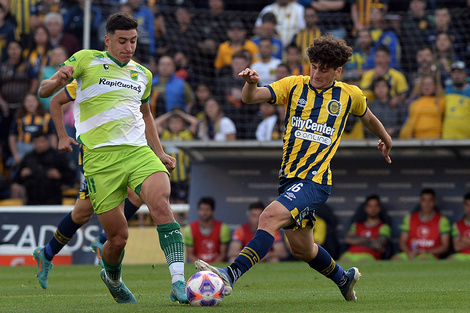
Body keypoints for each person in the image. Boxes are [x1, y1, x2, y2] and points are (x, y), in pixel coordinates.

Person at [194, 35, 393, 302]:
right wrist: (251, 84)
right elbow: (253, 97)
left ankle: (230, 274)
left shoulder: (350, 95)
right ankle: (344, 280)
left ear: (338, 71)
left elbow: (368, 117)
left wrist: (386, 138)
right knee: (303, 249)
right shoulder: (294, 86)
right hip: (289, 180)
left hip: (316, 181)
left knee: (268, 218)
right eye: (314, 66)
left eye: (324, 69)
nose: (317, 73)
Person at [35, 12, 188, 304]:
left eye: (132, 41)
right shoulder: (85, 61)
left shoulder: (143, 74)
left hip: (137, 152)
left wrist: (160, 152)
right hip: (99, 160)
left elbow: (146, 114)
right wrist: (58, 80)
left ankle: (179, 282)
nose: (128, 47)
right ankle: (112, 277)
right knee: (116, 238)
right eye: (122, 41)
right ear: (107, 40)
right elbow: (46, 92)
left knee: (161, 203)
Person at [32, 80, 144, 289]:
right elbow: (55, 100)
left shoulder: (127, 79)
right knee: (83, 213)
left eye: (131, 43)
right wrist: (62, 136)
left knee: (83, 212)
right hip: (96, 158)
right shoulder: (89, 77)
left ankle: (47, 253)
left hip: (122, 154)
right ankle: (100, 243)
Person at [13, 130, 75, 205]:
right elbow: (16, 179)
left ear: (47, 141)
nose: (39, 145)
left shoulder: (57, 157)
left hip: (53, 202)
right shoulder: (28, 158)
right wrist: (22, 174)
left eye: (41, 141)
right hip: (32, 202)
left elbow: (72, 176)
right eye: (36, 142)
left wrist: (60, 175)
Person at [392, 188, 451, 261]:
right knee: (395, 259)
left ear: (435, 202)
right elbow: (402, 242)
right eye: (424, 200)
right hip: (410, 253)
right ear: (420, 202)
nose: (427, 204)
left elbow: (445, 246)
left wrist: (427, 251)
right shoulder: (409, 218)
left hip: (430, 255)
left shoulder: (442, 220)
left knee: (423, 260)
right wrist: (409, 252)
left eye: (430, 200)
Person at [339, 194, 392, 262]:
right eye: (370, 206)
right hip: (350, 253)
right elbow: (348, 239)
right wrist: (370, 240)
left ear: (379, 208)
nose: (373, 209)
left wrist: (357, 240)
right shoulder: (356, 225)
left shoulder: (384, 227)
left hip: (369, 255)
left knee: (362, 261)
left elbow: (378, 245)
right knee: (341, 263)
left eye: (375, 206)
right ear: (366, 208)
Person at [183, 197, 231, 263]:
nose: (204, 213)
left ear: (213, 211)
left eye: (207, 210)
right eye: (202, 209)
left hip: (217, 267)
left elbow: (223, 254)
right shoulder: (189, 229)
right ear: (198, 211)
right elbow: (190, 255)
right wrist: (202, 267)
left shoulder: (223, 228)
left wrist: (211, 269)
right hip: (198, 267)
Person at [399, 74, 445, 139]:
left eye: (429, 84)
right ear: (420, 87)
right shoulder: (414, 104)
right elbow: (409, 124)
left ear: (435, 86)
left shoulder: (441, 102)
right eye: (424, 84)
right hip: (418, 140)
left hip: (436, 139)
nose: (426, 87)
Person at [442, 61, 470, 139]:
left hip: (466, 140)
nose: (457, 75)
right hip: (447, 139)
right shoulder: (446, 91)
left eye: (460, 72)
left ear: (465, 74)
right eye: (454, 72)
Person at [447, 192, 470, 261]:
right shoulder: (457, 225)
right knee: (449, 259)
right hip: (462, 256)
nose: (469, 208)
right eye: (467, 205)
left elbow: (461, 244)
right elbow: (457, 247)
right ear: (464, 206)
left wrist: (467, 241)